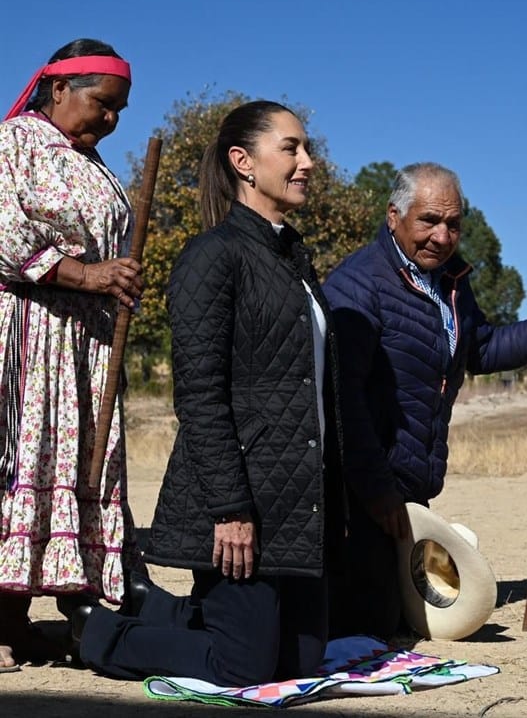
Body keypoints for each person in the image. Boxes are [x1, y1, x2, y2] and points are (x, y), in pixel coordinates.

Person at [74, 100, 345, 685]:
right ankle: (98, 633)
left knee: (301, 661)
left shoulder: (294, 257)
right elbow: (198, 395)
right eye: (292, 148)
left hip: (295, 501)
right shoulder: (211, 255)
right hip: (237, 500)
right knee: (240, 667)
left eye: (307, 149)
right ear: (243, 162)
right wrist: (230, 510)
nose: (308, 162)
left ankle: (154, 605)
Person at [322, 161, 527, 641]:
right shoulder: (359, 283)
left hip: (409, 489)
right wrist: (375, 489)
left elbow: (482, 348)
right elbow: (342, 399)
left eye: (453, 224)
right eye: (428, 220)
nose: (441, 235)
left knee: (406, 615)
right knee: (376, 621)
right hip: (361, 491)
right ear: (394, 216)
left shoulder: (450, 284)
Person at [0, 38, 146, 670]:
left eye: (119, 110)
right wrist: (88, 276)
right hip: (30, 334)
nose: (110, 119)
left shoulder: (92, 162)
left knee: (69, 469)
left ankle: (20, 618)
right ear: (59, 88)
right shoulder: (15, 144)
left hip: (82, 345)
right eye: (102, 103)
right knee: (20, 462)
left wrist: (120, 280)